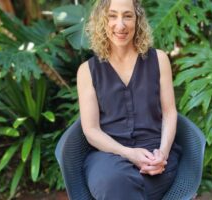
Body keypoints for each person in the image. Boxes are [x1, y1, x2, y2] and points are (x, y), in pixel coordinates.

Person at [76, 0, 181, 199]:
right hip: (109, 155)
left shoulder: (159, 60)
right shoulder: (87, 71)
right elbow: (91, 130)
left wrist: (163, 154)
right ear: (101, 21)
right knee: (112, 182)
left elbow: (169, 112)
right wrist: (128, 153)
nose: (120, 25)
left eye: (128, 16)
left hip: (155, 156)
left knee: (120, 189)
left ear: (138, 19)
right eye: (112, 16)